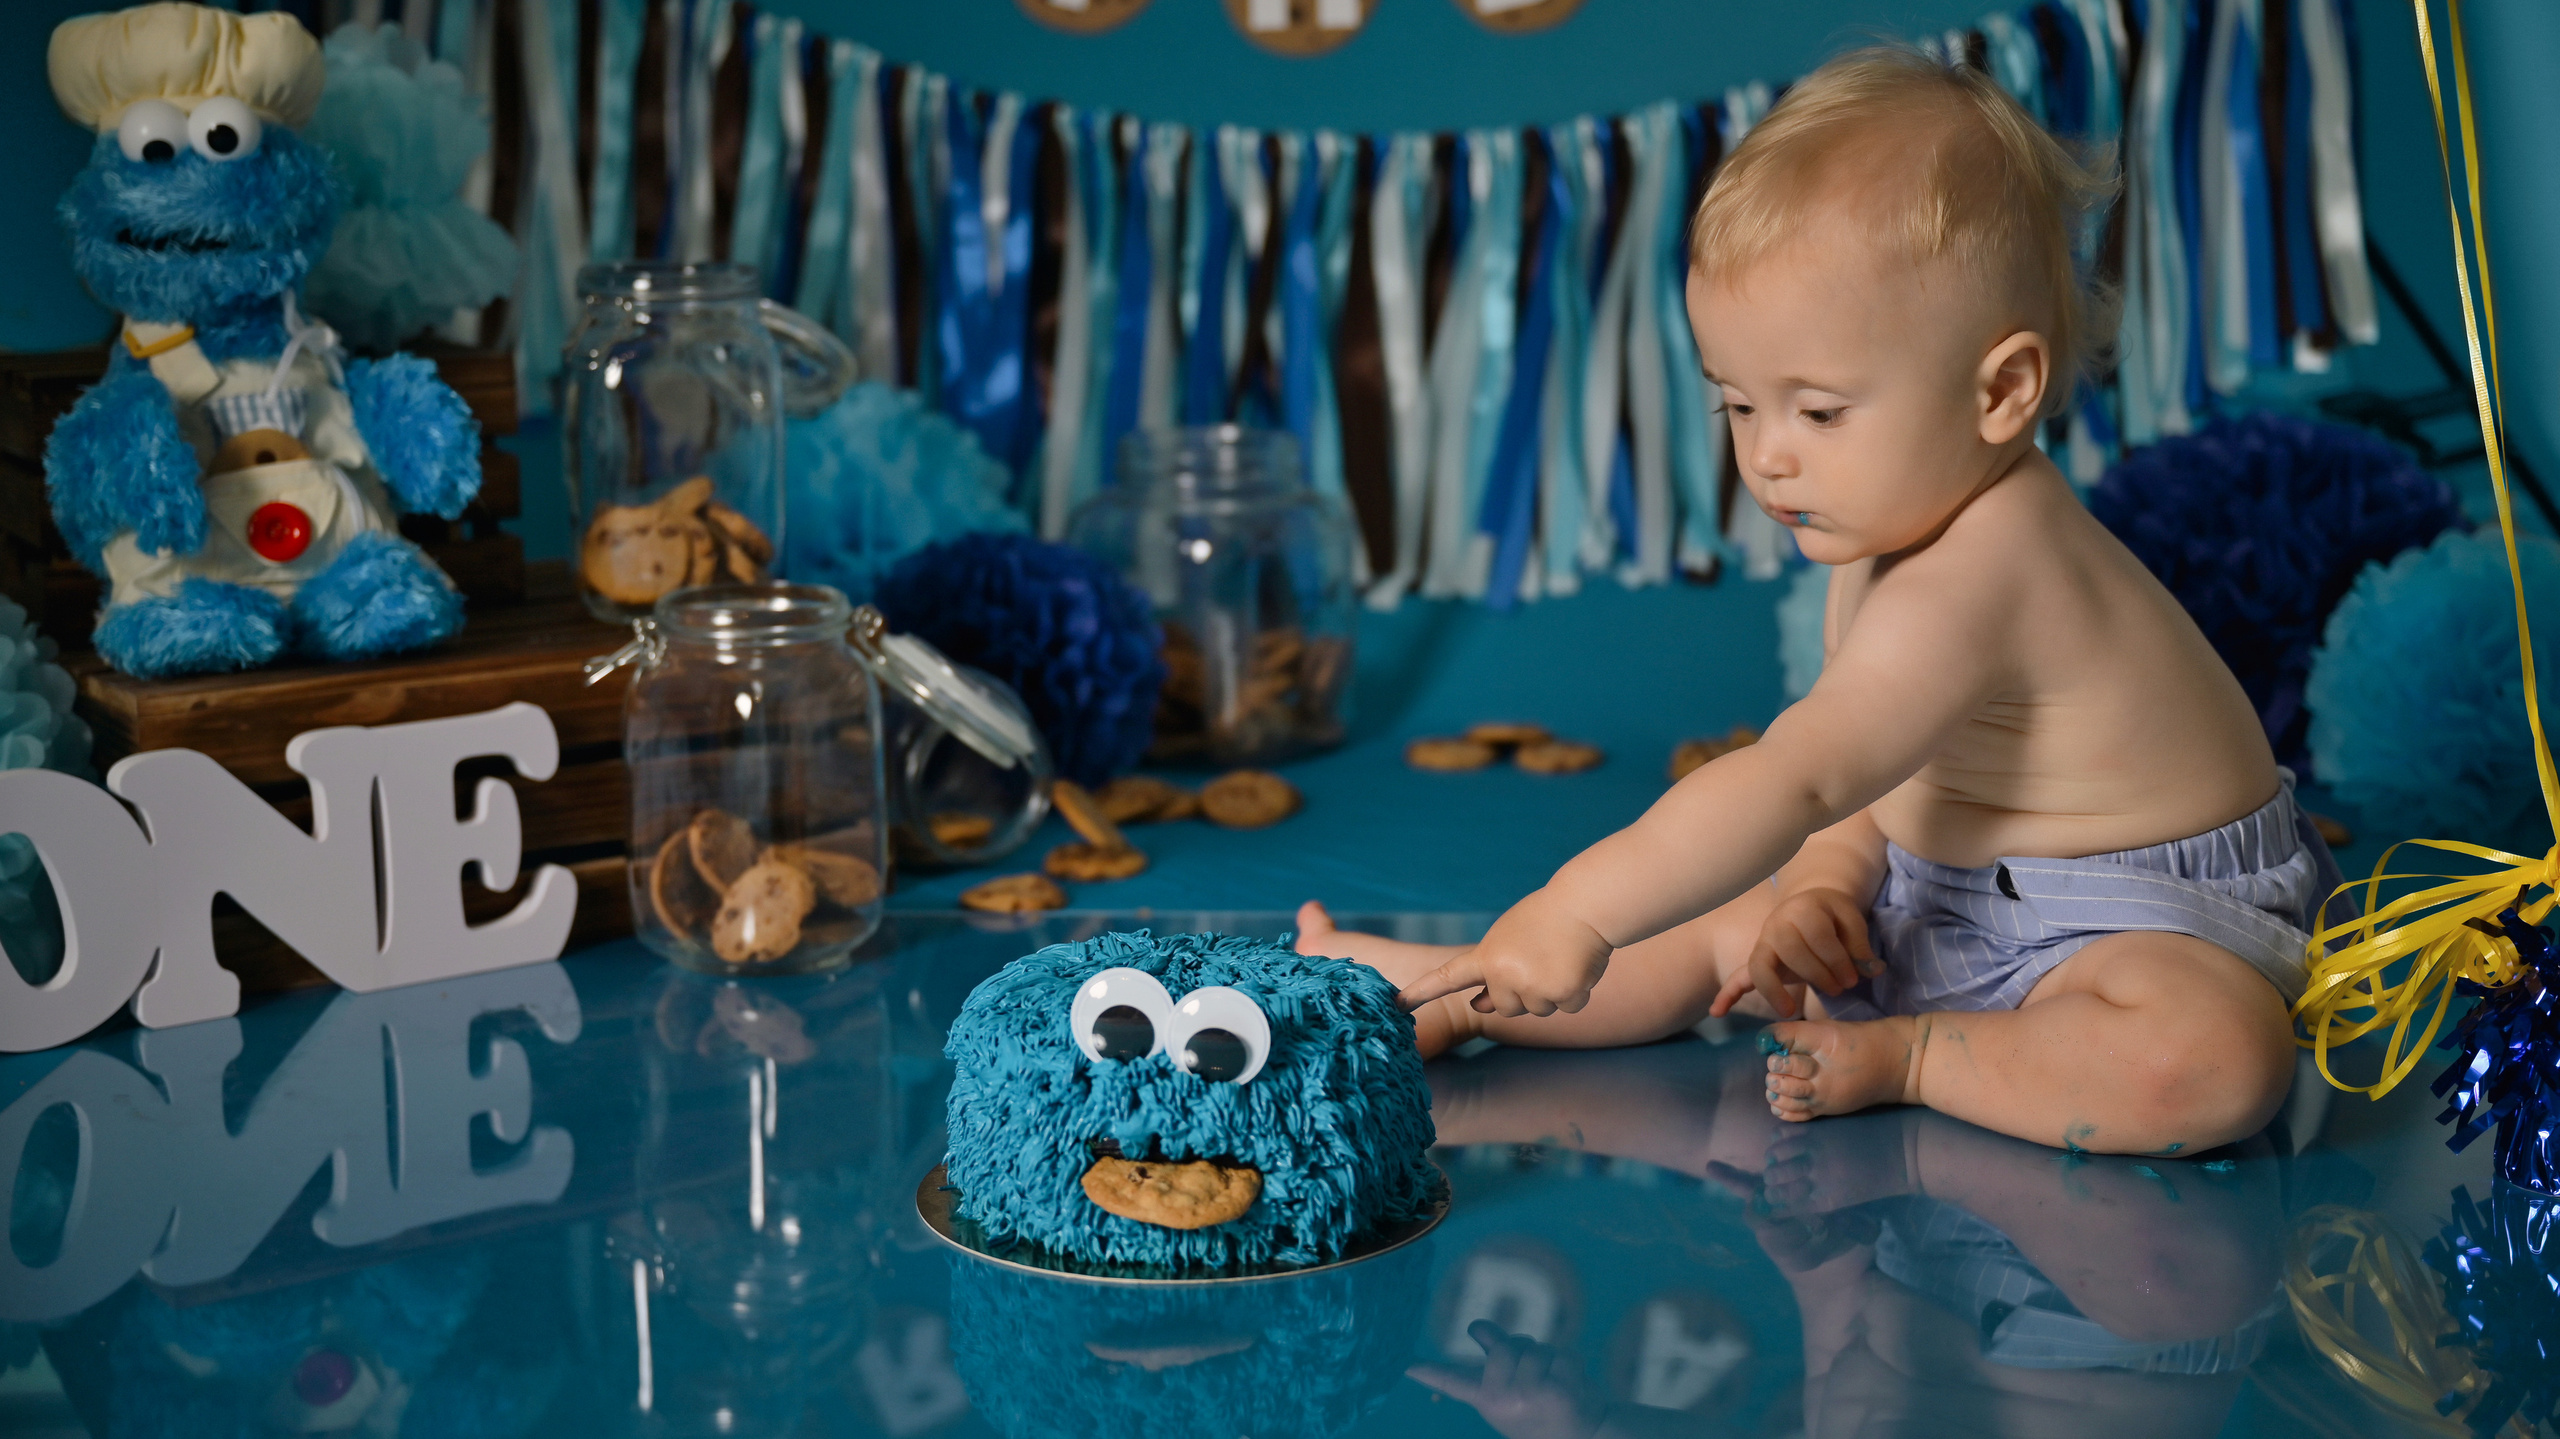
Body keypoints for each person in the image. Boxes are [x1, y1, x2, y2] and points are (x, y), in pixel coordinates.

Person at [1299, 46, 2341, 1156]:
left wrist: (1577, 908)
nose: (1768, 458)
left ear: (2001, 390)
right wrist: (1824, 885)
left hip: (2126, 925)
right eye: (1739, 406)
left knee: (2211, 1059)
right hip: (1942, 888)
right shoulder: (1884, 526)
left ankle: (1922, 1054)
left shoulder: (1994, 567)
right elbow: (1867, 774)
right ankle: (1454, 991)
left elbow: (1800, 772)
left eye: (1821, 412)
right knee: (1717, 933)